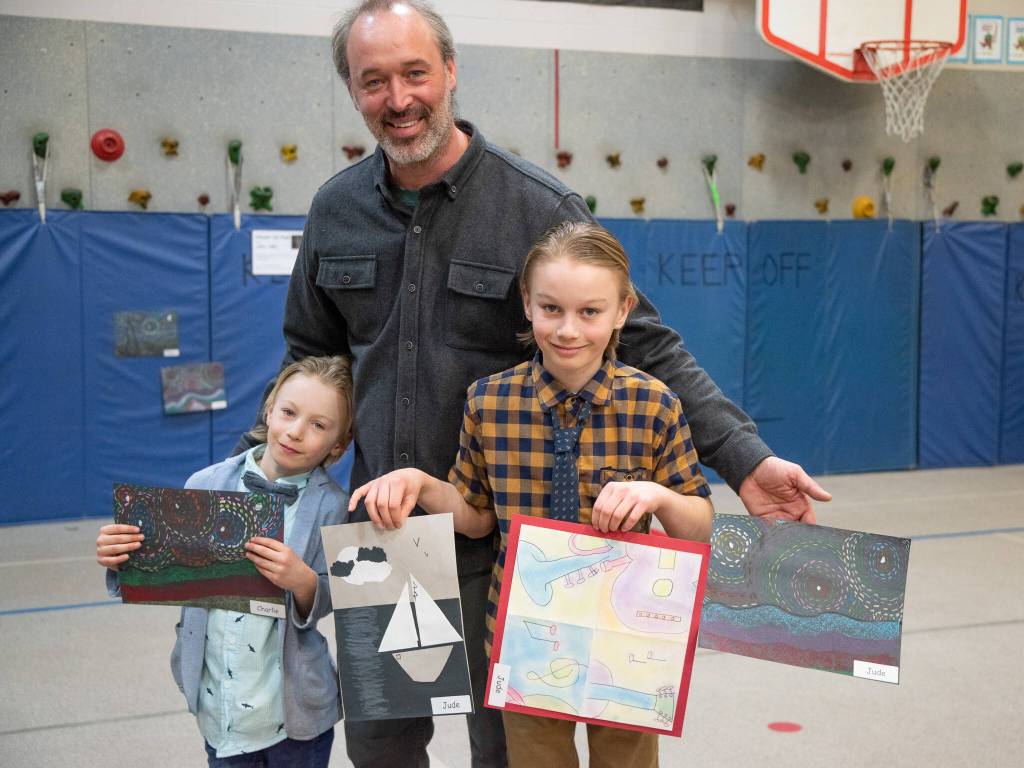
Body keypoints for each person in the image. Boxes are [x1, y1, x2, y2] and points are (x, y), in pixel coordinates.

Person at [254, 1, 829, 765]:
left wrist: (745, 459)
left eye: (415, 73)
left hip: (507, 546)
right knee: (382, 750)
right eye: (374, 80)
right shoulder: (336, 209)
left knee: (509, 752)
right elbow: (312, 359)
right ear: (352, 89)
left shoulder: (536, 206)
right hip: (385, 539)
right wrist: (258, 479)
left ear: (451, 70)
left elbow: (645, 343)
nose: (398, 98)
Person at [352, 221, 713, 768]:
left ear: (623, 310)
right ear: (526, 303)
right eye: (551, 309)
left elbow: (699, 525)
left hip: (627, 637)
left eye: (589, 312)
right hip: (524, 637)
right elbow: (477, 517)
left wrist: (656, 497)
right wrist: (420, 484)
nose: (568, 330)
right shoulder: (488, 402)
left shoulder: (655, 404)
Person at [98, 356, 354, 767]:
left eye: (318, 425)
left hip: (297, 715)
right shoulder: (205, 484)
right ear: (269, 410)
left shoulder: (334, 508)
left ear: (338, 445)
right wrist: (120, 557)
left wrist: (303, 581)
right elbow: (166, 568)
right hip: (220, 707)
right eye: (288, 413)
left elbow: (334, 597)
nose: (295, 431)